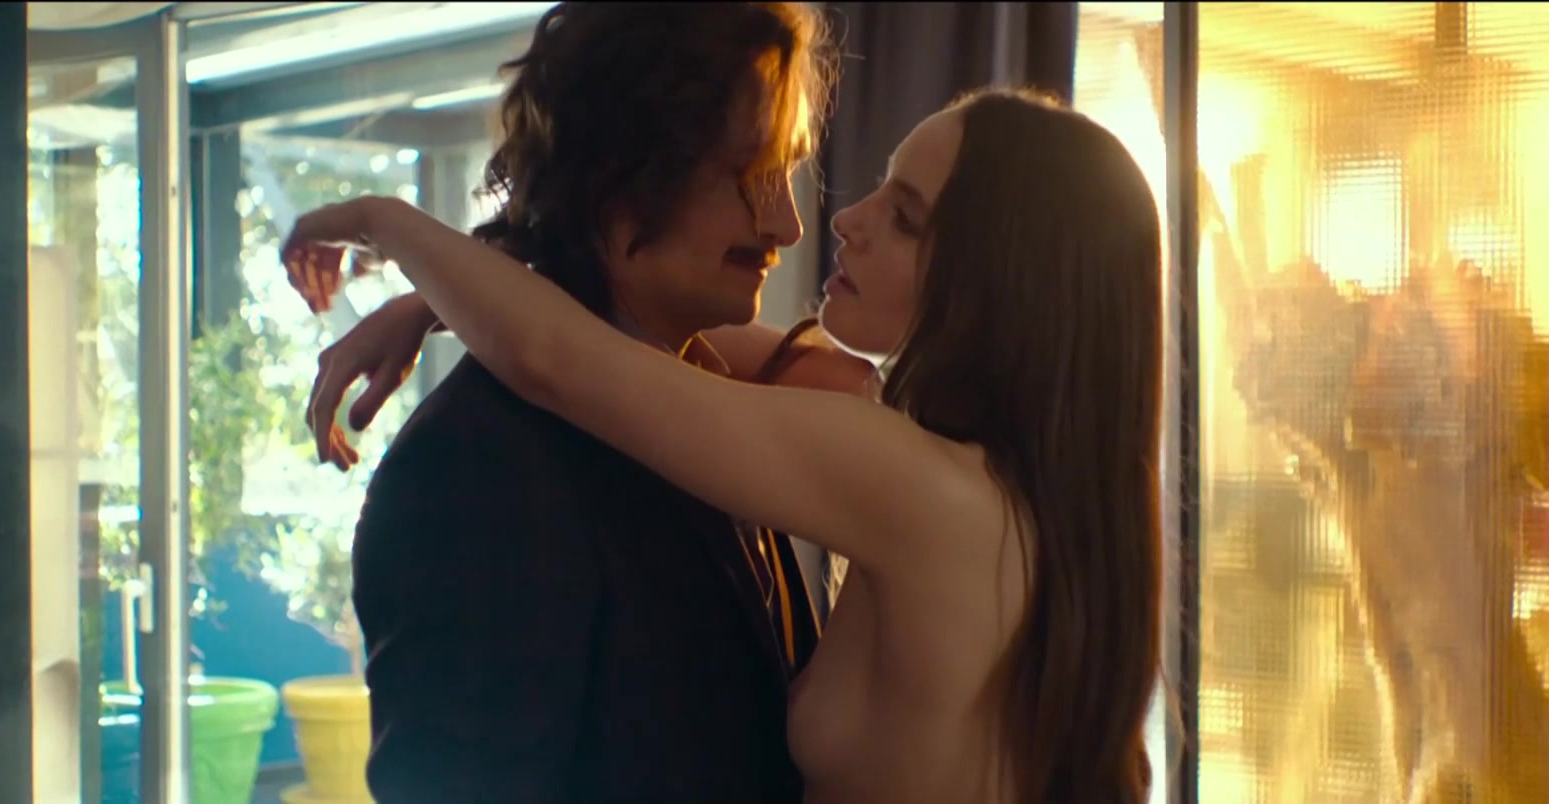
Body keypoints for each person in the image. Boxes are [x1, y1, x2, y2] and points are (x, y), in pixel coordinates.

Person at [289, 85, 1166, 802]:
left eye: (904, 218)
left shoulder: (915, 482)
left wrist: (381, 222)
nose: (842, 219)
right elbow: (649, 334)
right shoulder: (998, 489)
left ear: (999, 280)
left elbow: (564, 358)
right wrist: (436, 305)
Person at [314, 4, 837, 801]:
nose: (787, 224)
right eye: (748, 172)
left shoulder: (712, 403)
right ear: (618, 172)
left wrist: (438, 296)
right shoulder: (478, 468)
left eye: (785, 174)